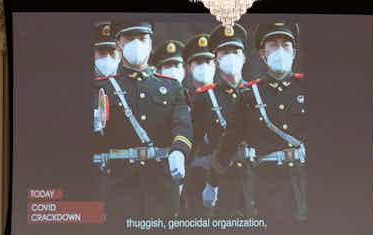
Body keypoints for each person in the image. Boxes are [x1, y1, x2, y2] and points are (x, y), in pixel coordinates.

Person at [92, 21, 193, 221]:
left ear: (150, 42)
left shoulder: (172, 87)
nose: (136, 44)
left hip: (162, 184)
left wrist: (179, 151)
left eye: (142, 38)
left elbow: (182, 124)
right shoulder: (100, 88)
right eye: (130, 38)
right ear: (118, 43)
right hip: (120, 185)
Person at [209, 22, 308, 222]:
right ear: (262, 53)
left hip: (307, 179)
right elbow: (230, 140)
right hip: (269, 186)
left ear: (294, 52)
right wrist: (213, 181)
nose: (280, 50)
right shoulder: (250, 95)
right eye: (273, 45)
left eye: (285, 44)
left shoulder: (306, 87)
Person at [186, 24, 248, 216]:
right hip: (222, 179)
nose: (231, 57)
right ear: (217, 60)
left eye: (235, 51)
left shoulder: (256, 92)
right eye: (225, 52)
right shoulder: (205, 98)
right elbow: (193, 141)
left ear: (244, 58)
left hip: (257, 176)